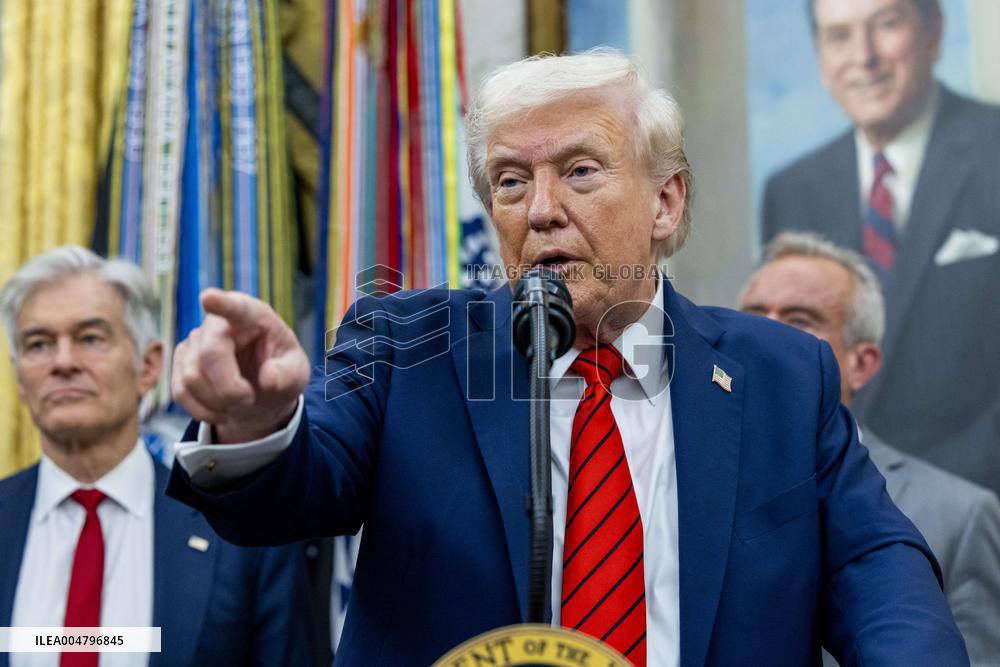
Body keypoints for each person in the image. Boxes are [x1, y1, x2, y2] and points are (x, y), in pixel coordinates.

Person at [166, 51, 967, 665]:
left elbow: (874, 562)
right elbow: (301, 485)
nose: (542, 210)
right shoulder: (408, 347)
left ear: (666, 199)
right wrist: (258, 420)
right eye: (511, 182)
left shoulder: (784, 374)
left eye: (580, 171)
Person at [0, 246, 313, 666]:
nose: (64, 362)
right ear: (19, 377)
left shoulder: (240, 534)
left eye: (90, 338)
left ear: (148, 366)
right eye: (38, 344)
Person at [760, 0, 1000, 494]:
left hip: (982, 505)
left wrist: (934, 494)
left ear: (932, 32)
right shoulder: (792, 190)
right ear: (821, 56)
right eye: (840, 36)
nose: (863, 56)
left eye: (886, 25)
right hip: (838, 510)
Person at [739, 231, 1000, 665]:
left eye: (800, 319)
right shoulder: (688, 474)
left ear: (861, 363)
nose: (768, 334)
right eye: (753, 316)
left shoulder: (963, 515)